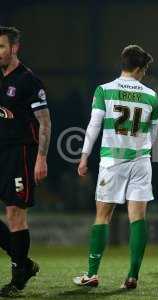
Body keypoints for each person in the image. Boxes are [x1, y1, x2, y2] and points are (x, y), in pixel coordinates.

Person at [73, 44, 158, 290]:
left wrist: (84, 156)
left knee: (102, 216)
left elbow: (93, 126)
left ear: (123, 63)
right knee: (138, 218)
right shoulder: (152, 95)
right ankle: (132, 276)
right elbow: (153, 136)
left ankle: (92, 273)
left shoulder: (104, 90)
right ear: (141, 68)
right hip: (141, 162)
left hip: (112, 161)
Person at [0, 26, 51, 297]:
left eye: (1, 47)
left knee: (15, 213)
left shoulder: (28, 81)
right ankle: (24, 262)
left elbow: (45, 123)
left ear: (14, 48)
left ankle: (18, 275)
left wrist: (41, 158)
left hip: (20, 154)